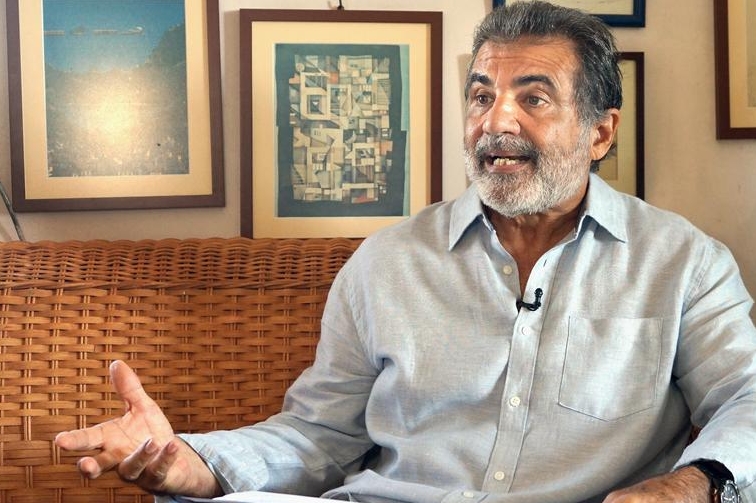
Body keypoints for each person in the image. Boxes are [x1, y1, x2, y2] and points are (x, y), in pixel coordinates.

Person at [56, 2, 756, 502]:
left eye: (533, 99)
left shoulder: (685, 263)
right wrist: (188, 462)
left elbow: (747, 397)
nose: (495, 121)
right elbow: (317, 436)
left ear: (601, 132)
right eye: (481, 95)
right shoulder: (384, 263)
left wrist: (693, 484)